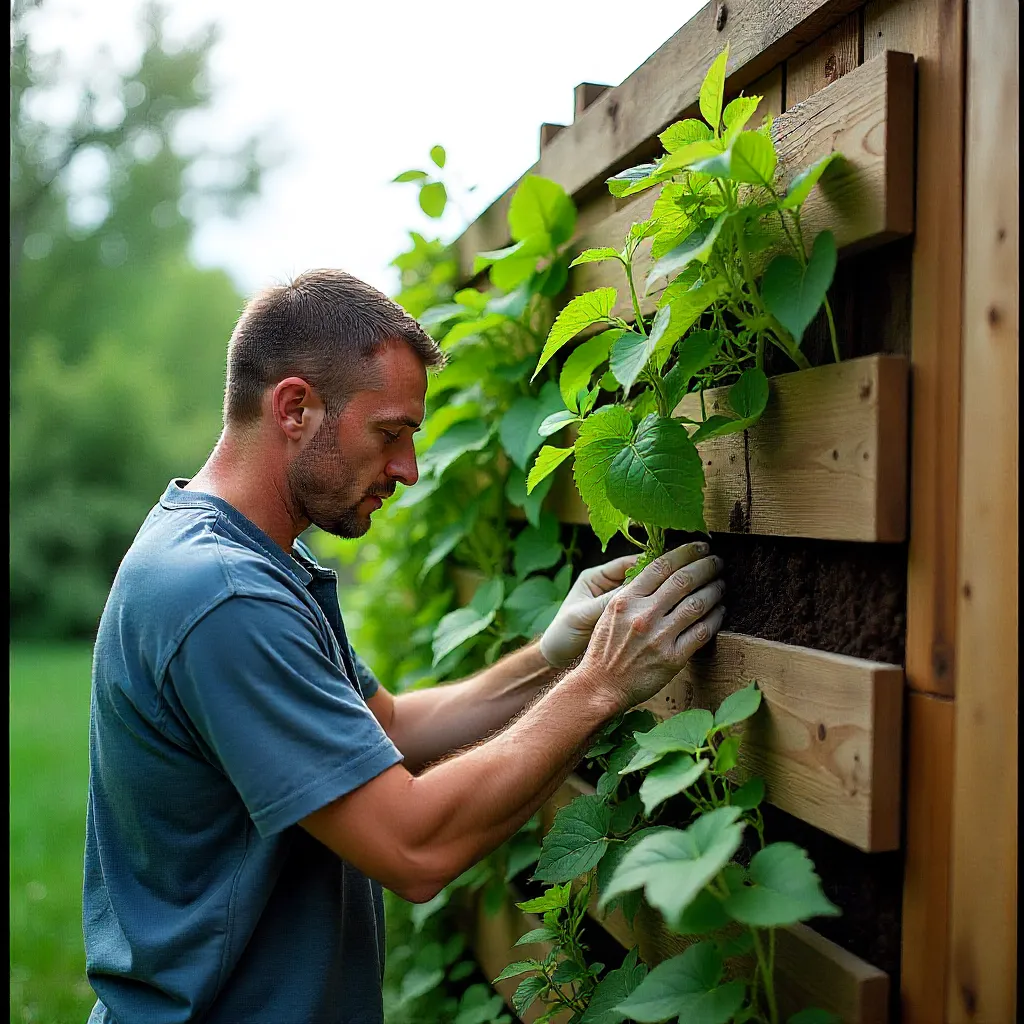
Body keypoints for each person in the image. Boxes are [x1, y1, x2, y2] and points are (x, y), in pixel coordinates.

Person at [83, 269, 726, 1023]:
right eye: (390, 433)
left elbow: (386, 730)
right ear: (295, 408)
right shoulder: (225, 596)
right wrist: (601, 686)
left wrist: (554, 656)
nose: (408, 470)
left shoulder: (248, 559)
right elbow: (412, 847)